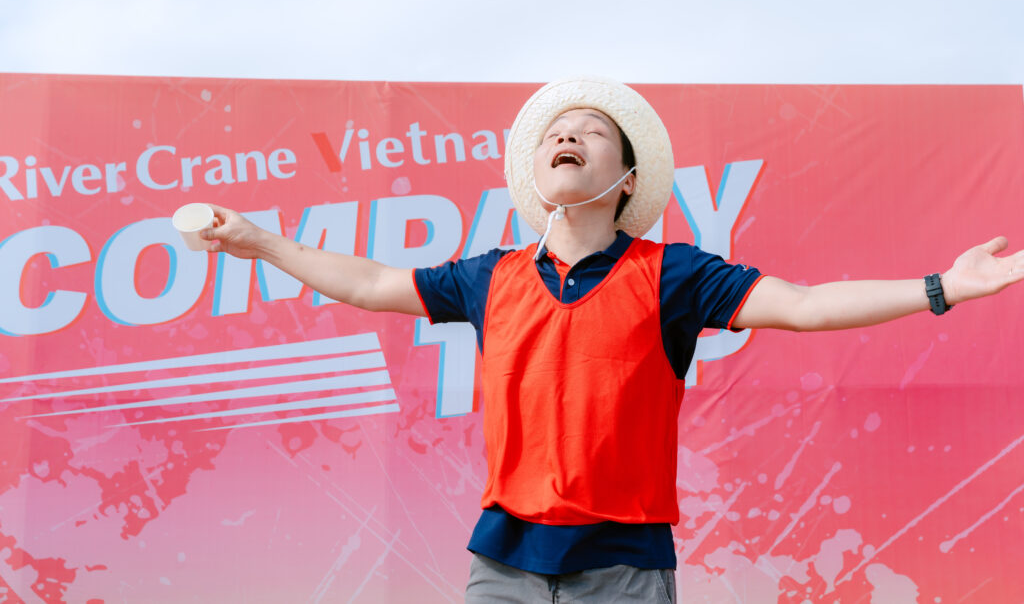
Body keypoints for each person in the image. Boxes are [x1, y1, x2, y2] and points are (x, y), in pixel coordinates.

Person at [199, 77, 1023, 603]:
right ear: (538, 175)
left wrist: (944, 286)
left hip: (625, 569)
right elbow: (372, 283)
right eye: (558, 130)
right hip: (503, 563)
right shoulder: (491, 276)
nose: (569, 133)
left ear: (627, 179)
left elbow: (804, 305)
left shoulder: (673, 275)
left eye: (592, 130)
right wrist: (261, 243)